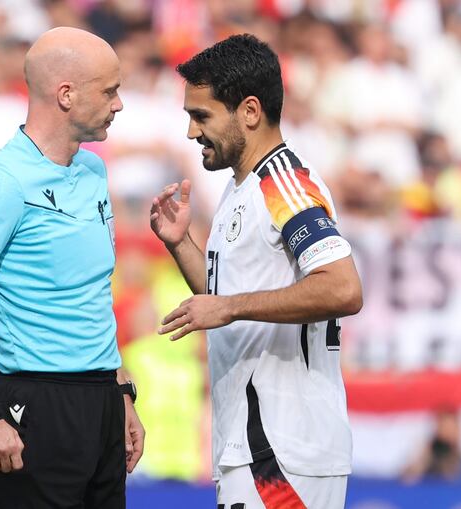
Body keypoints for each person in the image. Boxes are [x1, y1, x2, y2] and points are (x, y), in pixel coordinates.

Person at [0, 27, 144, 509]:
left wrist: (120, 389)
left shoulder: (93, 171)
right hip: (36, 407)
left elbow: (89, 296)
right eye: (110, 91)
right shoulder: (3, 182)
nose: (119, 104)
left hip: (101, 403)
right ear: (66, 94)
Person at [150, 34, 363, 508]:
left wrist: (228, 306)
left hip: (284, 447)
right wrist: (182, 245)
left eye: (201, 116)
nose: (191, 132)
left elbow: (343, 288)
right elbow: (228, 304)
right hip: (250, 444)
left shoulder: (284, 183)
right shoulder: (239, 189)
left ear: (249, 111)